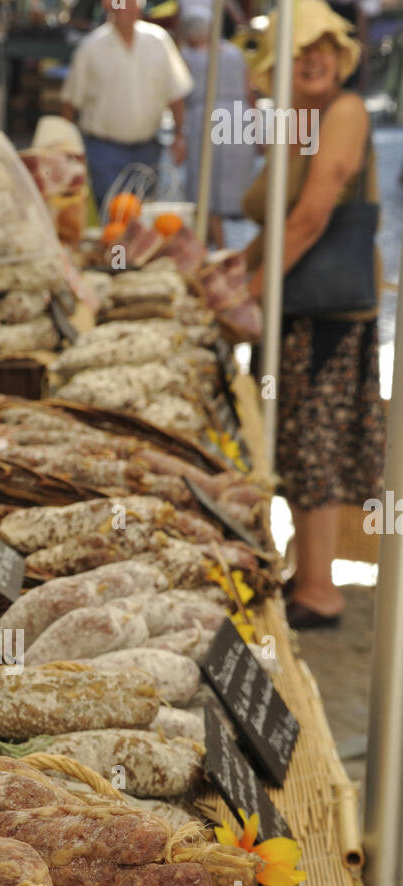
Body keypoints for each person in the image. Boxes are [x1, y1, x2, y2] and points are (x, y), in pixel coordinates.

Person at [242, 0, 384, 630]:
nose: (314, 60)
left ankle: (321, 591)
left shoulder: (346, 114)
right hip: (299, 311)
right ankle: (308, 573)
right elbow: (275, 218)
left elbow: (309, 217)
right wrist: (228, 270)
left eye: (323, 47)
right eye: (298, 52)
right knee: (299, 444)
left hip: (326, 315)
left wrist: (247, 289)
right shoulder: (301, 123)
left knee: (316, 446)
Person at [60, 0, 194, 214]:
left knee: (142, 214)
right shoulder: (91, 47)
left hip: (148, 148)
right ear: (108, 6)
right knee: (111, 213)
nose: (126, 8)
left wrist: (180, 134)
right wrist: (66, 147)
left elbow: (175, 92)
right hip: (103, 150)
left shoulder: (158, 41)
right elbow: (70, 101)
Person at [180, 9, 256, 249]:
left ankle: (217, 246)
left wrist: (180, 133)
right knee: (222, 186)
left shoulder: (187, 56)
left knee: (207, 188)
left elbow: (179, 95)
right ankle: (216, 243)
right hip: (239, 118)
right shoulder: (234, 52)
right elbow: (250, 92)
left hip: (207, 120)